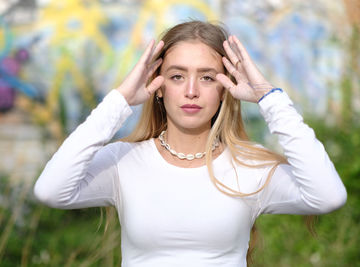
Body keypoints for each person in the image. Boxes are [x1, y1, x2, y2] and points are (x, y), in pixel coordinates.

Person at [34, 20, 347, 266]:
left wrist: (269, 98)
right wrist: (118, 102)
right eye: (177, 76)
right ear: (158, 86)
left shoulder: (251, 166)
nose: (192, 91)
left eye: (208, 77)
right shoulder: (123, 161)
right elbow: (50, 190)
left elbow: (327, 196)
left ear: (226, 88)